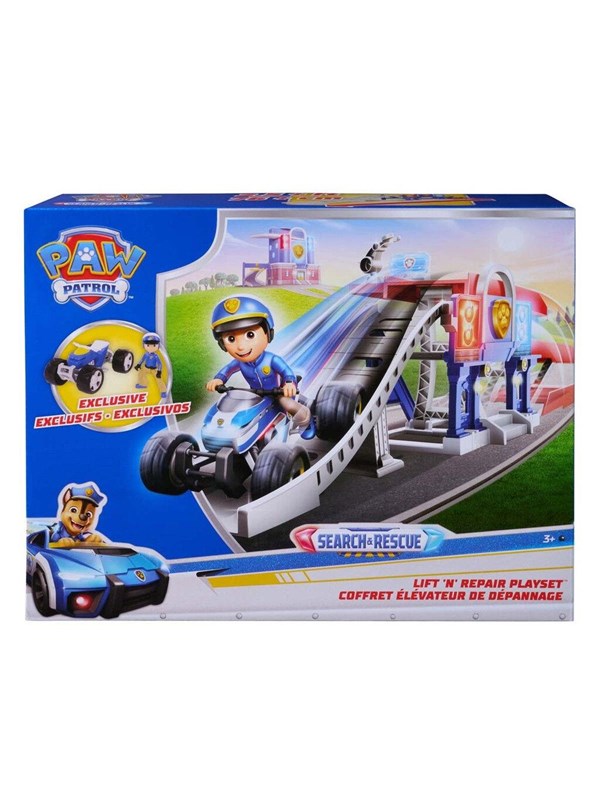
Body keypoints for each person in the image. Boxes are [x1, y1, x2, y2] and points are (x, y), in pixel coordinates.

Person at [206, 295, 315, 438]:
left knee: (287, 404)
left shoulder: (272, 359)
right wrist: (218, 379)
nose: (241, 346)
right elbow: (227, 370)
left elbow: (286, 372)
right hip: (255, 394)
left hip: (278, 392)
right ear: (222, 344)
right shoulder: (239, 362)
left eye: (250, 335)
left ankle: (306, 421)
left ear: (268, 333)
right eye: (231, 339)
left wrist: (289, 383)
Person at [49, 483, 107, 548]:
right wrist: (59, 543)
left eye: (88, 514)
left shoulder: (83, 535)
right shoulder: (57, 531)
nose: (83, 517)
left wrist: (91, 542)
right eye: (73, 510)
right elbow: (50, 541)